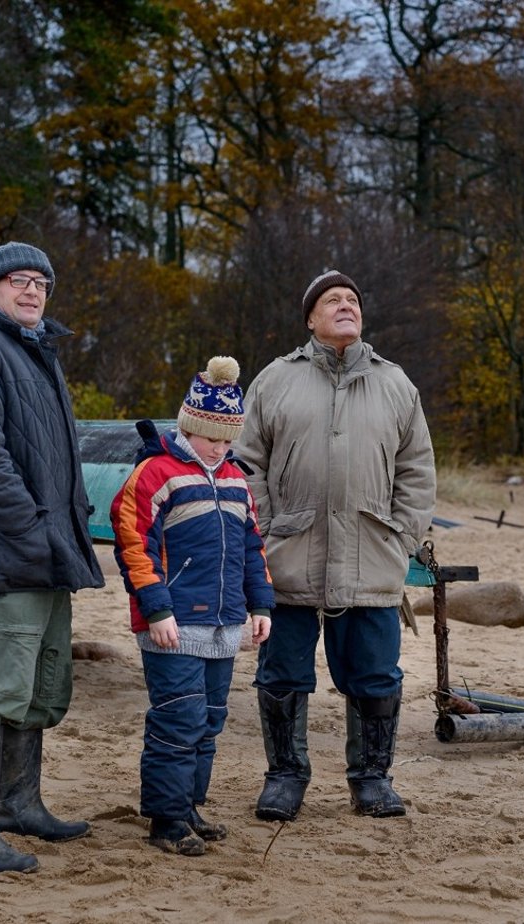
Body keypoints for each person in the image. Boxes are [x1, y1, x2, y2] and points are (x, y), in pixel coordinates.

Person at [235, 269, 436, 821]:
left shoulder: (396, 384)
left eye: (353, 299)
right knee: (281, 676)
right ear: (310, 318)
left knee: (375, 676)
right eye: (333, 300)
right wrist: (264, 530)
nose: (346, 305)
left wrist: (401, 537)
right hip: (287, 555)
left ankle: (372, 779)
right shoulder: (275, 380)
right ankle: (285, 777)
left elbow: (417, 470)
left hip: (372, 556)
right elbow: (245, 462)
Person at [0, 241, 105, 874]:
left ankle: (18, 804)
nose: (31, 291)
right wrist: (31, 531)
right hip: (13, 554)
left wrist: (65, 531)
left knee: (39, 687)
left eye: (40, 282)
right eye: (17, 281)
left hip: (51, 554)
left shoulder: (38, 353)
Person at [110, 356, 274, 856]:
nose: (220, 449)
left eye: (228, 440)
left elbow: (252, 548)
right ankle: (165, 818)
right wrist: (156, 610)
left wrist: (260, 604)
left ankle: (188, 806)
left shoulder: (233, 479)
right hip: (174, 626)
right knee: (178, 719)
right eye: (211, 439)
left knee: (209, 720)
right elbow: (133, 542)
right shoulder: (156, 472)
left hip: (224, 626)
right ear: (189, 428)